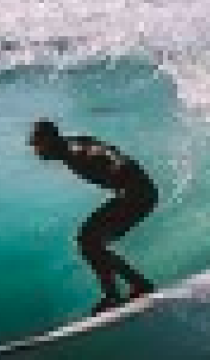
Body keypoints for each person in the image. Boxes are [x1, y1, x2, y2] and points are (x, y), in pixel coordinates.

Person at [28, 118, 160, 315]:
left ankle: (117, 294)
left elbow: (101, 150)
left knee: (87, 240)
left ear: (48, 141)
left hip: (136, 194)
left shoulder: (74, 150)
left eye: (37, 146)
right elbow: (93, 145)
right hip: (137, 193)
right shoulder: (70, 146)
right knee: (91, 244)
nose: (36, 152)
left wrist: (118, 161)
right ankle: (136, 286)